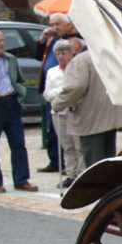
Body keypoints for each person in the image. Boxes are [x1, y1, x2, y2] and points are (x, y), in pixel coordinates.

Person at [53, 36, 122, 168]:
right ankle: (107, 187)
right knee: (108, 158)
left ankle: (98, 187)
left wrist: (57, 103)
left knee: (94, 162)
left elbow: (75, 87)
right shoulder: (110, 56)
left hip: (91, 118)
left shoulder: (81, 60)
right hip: (110, 116)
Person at [0, 28, 37, 194]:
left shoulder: (11, 59)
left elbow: (19, 80)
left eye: (2, 40)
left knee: (19, 145)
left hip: (11, 103)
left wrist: (20, 92)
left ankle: (21, 180)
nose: (2, 43)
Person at [42, 38, 82, 186]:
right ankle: (71, 174)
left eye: (64, 52)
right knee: (67, 145)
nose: (61, 56)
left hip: (75, 111)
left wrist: (64, 93)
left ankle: (81, 174)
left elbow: (77, 90)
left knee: (79, 145)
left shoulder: (77, 69)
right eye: (58, 53)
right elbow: (47, 93)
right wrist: (62, 92)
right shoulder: (52, 72)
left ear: (71, 54)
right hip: (58, 112)